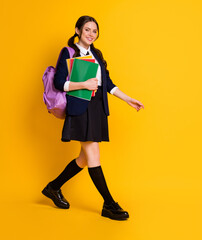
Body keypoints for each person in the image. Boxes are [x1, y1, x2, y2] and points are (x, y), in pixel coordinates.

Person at [42, 15, 144, 221]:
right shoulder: (69, 52)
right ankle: (109, 204)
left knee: (83, 159)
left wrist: (128, 99)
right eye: (87, 29)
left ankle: (53, 188)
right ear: (77, 31)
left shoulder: (97, 54)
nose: (91, 34)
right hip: (80, 108)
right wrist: (83, 85)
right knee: (94, 156)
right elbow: (60, 83)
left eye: (94, 31)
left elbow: (107, 83)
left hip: (96, 109)